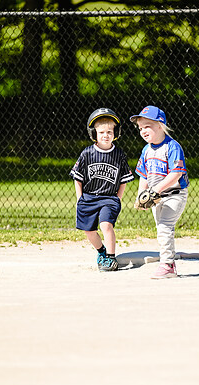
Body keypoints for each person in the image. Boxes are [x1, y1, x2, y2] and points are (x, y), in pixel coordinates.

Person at [70, 108, 134, 271]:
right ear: (94, 134)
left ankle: (111, 259)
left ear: (116, 132)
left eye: (109, 132)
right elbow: (78, 178)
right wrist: (80, 198)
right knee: (88, 230)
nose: (106, 135)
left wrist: (118, 198)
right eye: (101, 132)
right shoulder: (87, 153)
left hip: (109, 198)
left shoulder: (119, 154)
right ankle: (102, 252)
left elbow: (123, 180)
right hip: (89, 197)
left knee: (106, 225)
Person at [130, 105, 189, 279]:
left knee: (164, 227)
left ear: (160, 125)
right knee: (161, 229)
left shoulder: (172, 146)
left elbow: (176, 173)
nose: (143, 131)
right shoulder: (146, 150)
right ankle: (168, 262)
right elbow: (143, 174)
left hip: (175, 195)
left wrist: (155, 190)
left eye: (147, 126)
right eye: (140, 128)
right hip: (157, 197)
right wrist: (142, 194)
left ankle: (168, 265)